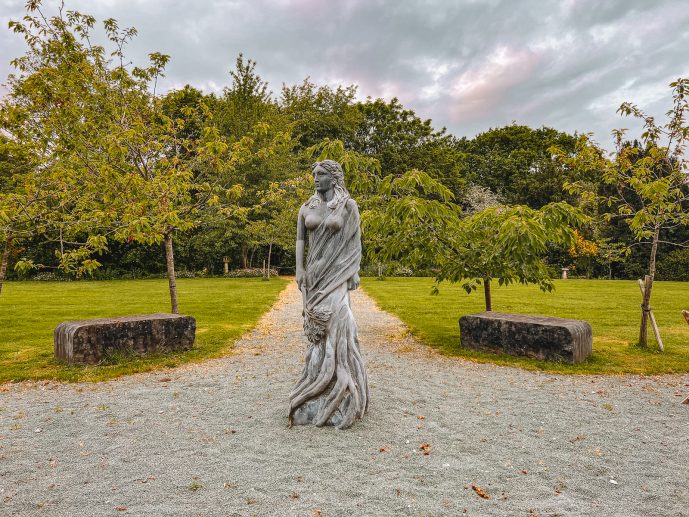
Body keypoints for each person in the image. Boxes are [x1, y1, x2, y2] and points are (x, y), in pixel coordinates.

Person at [289, 159, 369, 429]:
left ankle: (342, 382)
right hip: (314, 274)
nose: (315, 178)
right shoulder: (307, 207)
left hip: (338, 273)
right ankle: (316, 381)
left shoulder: (348, 206)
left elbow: (354, 240)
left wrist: (353, 271)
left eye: (321, 174)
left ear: (334, 178)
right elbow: (300, 240)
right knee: (317, 328)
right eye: (314, 174)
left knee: (338, 322)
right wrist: (299, 269)